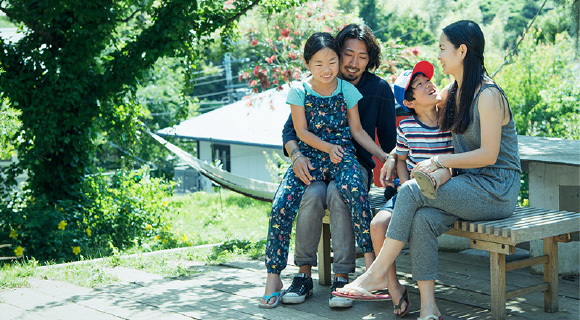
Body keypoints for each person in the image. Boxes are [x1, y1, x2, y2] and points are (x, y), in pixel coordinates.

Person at [335, 20, 521, 320]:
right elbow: (419, 117)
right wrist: (397, 153)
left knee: (410, 190)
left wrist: (441, 161)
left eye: (443, 49)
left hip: (495, 189)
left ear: (462, 51)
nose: (440, 56)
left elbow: (489, 155)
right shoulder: (455, 90)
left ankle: (379, 272)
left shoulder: (488, 95)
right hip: (467, 187)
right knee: (422, 219)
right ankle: (430, 308)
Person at [259, 32, 391, 309]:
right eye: (347, 55)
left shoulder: (361, 89)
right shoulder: (301, 90)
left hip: (344, 160)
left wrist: (384, 157)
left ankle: (364, 272)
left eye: (362, 57)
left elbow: (360, 131)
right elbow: (295, 131)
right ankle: (282, 276)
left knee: (348, 193)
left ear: (370, 60)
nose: (350, 62)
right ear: (308, 63)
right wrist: (297, 156)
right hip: (309, 160)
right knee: (286, 202)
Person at [368, 61, 454, 301]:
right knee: (377, 225)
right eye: (419, 84)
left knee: (417, 221)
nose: (428, 84)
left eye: (427, 81)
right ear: (408, 102)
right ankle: (393, 286)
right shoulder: (406, 126)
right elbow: (401, 159)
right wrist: (405, 185)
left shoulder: (450, 119)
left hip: (445, 190)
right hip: (411, 191)